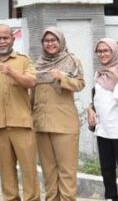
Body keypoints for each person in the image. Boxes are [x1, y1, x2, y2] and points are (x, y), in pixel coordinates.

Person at [0, 24, 39, 201]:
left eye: (6, 37)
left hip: (22, 123)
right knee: (6, 171)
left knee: (29, 170)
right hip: (0, 125)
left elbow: (31, 82)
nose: (2, 41)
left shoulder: (24, 60)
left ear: (13, 39)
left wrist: (12, 73)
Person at [31, 28, 85, 201]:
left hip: (64, 124)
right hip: (42, 123)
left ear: (61, 41)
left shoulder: (71, 60)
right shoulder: (38, 63)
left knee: (67, 171)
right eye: (46, 40)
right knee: (48, 171)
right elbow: (32, 94)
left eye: (54, 40)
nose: (50, 44)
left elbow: (80, 84)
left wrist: (62, 78)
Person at [87, 38, 118, 201]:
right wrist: (90, 109)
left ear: (114, 52)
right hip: (103, 130)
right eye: (99, 51)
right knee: (107, 169)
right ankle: (111, 197)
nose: (102, 54)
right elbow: (97, 98)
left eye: (106, 50)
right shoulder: (99, 74)